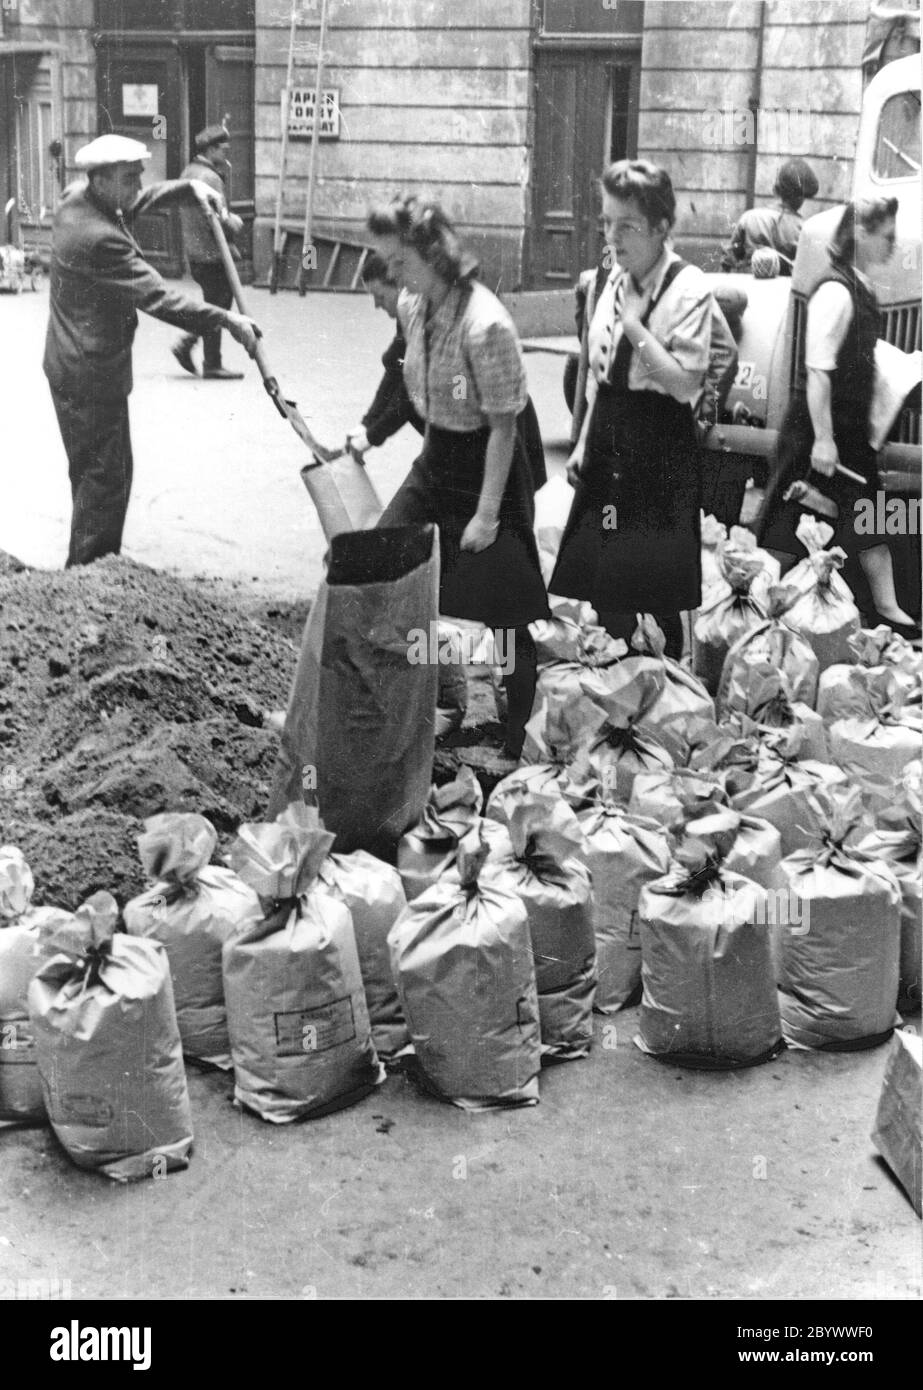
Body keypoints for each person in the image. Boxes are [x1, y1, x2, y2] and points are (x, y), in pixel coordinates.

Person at [366, 195, 549, 758]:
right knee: (380, 557)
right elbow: (403, 379)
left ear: (434, 255)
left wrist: (487, 515)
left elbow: (504, 428)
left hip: (488, 463)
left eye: (400, 262)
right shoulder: (413, 305)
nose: (390, 274)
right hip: (437, 456)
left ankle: (519, 732)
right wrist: (368, 431)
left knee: (506, 611)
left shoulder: (486, 324)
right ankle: (406, 707)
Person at [43, 134, 260, 568]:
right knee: (104, 480)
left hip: (74, 366)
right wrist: (228, 320)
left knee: (99, 476)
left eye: (140, 176)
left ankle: (88, 573)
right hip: (90, 373)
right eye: (129, 178)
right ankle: (90, 577)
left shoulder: (79, 200)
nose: (138, 187)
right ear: (101, 180)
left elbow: (136, 203)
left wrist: (187, 188)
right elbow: (160, 297)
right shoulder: (100, 238)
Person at [550, 160, 714, 659]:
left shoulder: (691, 288)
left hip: (659, 445)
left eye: (627, 226)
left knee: (656, 591)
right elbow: (599, 370)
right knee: (604, 586)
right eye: (606, 223)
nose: (612, 237)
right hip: (610, 439)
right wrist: (581, 443)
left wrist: (638, 330)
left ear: (662, 228)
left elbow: (686, 384)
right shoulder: (612, 279)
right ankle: (619, 692)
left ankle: (666, 692)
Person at [755, 196, 920, 638]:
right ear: (861, 234)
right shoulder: (835, 290)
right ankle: (755, 608)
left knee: (875, 515)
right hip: (819, 430)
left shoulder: (858, 286)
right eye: (885, 236)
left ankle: (890, 610)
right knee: (785, 527)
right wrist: (823, 440)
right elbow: (818, 371)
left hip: (848, 432)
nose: (891, 245)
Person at [172, 124, 245, 379]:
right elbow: (215, 218)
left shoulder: (189, 171)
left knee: (216, 304)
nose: (226, 154)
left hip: (195, 252)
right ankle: (206, 359)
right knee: (219, 306)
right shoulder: (211, 177)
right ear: (211, 149)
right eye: (223, 149)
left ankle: (192, 346)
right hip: (213, 253)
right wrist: (232, 223)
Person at [344, 252, 424, 460]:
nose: (376, 305)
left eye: (380, 296)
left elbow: (411, 389)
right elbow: (395, 371)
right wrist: (366, 424)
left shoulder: (417, 312)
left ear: (399, 287)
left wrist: (371, 436)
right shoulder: (405, 311)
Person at [721, 158, 819, 277]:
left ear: (777, 190)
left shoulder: (749, 218)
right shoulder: (803, 229)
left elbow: (728, 259)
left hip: (749, 287)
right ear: (799, 197)